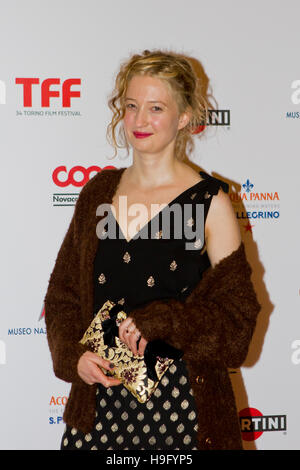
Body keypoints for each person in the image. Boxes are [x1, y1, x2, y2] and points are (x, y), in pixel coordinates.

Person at [44, 49, 260, 450]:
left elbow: (237, 328)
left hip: (185, 413)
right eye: (131, 105)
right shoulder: (97, 195)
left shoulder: (210, 203)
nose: (139, 120)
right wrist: (73, 357)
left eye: (155, 107)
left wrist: (166, 320)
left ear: (183, 118)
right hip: (98, 409)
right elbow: (62, 298)